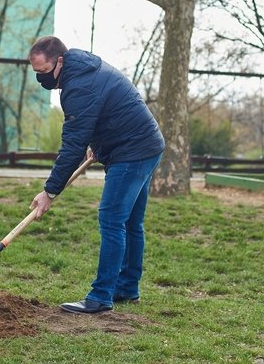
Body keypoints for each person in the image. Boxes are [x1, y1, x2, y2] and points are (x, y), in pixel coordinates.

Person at [28, 36, 165, 314]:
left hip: (133, 151)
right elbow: (100, 115)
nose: (41, 79)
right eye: (36, 73)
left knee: (113, 220)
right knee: (130, 222)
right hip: (147, 144)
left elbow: (72, 146)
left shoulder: (78, 86)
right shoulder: (83, 68)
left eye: (43, 72)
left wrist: (50, 192)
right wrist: (98, 145)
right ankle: (127, 288)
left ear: (60, 61)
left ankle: (101, 296)